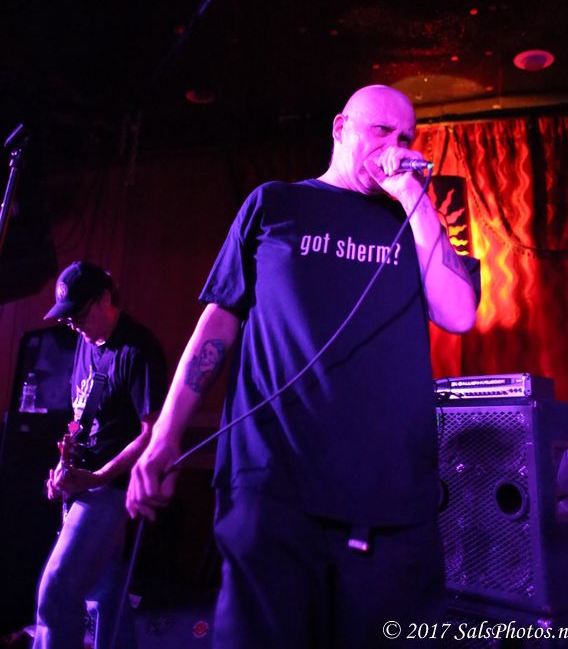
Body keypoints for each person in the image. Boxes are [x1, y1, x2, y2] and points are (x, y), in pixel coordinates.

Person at [127, 85, 478, 648]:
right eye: (381, 130)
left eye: (407, 137)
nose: (396, 145)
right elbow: (216, 327)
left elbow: (458, 314)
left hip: (390, 500)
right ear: (340, 128)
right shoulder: (275, 205)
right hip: (274, 488)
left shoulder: (414, 224)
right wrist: (165, 437)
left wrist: (415, 197)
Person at [34, 261, 167, 649]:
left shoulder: (138, 349)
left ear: (105, 299)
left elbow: (153, 434)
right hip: (86, 483)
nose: (74, 325)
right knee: (107, 595)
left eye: (79, 314)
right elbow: (81, 420)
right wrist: (62, 468)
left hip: (112, 488)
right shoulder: (86, 342)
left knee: (56, 592)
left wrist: (98, 477)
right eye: (68, 319)